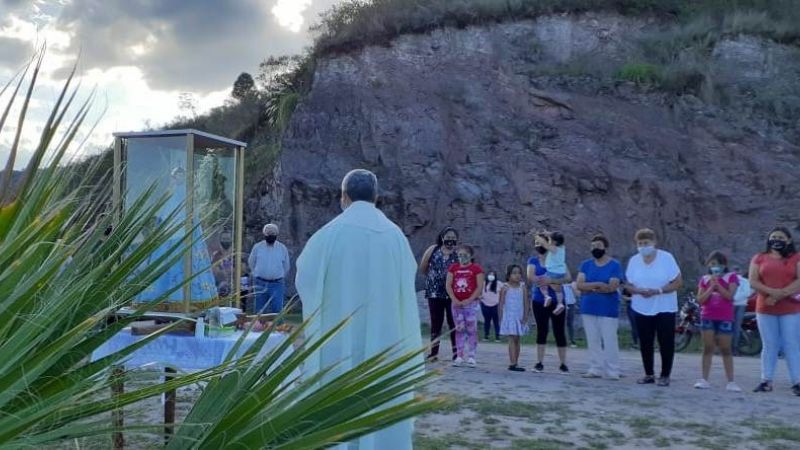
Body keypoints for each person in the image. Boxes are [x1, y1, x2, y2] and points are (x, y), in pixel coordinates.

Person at [295, 169, 423, 449]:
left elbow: (304, 277)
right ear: (376, 197)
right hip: (385, 336)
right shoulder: (395, 236)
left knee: (336, 393)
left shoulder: (329, 234)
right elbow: (407, 280)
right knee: (382, 400)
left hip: (338, 336)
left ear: (344, 196)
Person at [625, 228, 683, 387]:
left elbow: (678, 282)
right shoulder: (634, 261)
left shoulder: (666, 258)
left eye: (647, 243)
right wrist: (637, 291)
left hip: (664, 306)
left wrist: (658, 291)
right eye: (640, 243)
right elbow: (628, 285)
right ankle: (648, 373)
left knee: (666, 341)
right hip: (641, 306)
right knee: (645, 341)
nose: (644, 246)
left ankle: (665, 375)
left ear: (654, 243)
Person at [748, 227, 800, 395]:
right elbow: (753, 281)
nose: (777, 239)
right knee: (769, 344)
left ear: (789, 240)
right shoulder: (759, 258)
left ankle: (797, 381)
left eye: (781, 237)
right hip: (765, 307)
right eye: (774, 236)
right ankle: (766, 380)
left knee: (791, 344)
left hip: (790, 308)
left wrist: (780, 295)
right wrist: (772, 293)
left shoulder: (796, 258)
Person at [577, 234, 624, 380]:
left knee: (609, 339)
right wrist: (597, 285)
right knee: (593, 339)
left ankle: (613, 370)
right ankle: (595, 368)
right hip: (588, 307)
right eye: (592, 247)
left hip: (608, 309)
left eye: (598, 246)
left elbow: (612, 286)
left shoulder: (614, 265)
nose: (595, 249)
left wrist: (589, 287)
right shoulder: (586, 265)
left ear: (605, 248)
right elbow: (579, 284)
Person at [694, 251, 742, 392]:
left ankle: (731, 381)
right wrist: (710, 287)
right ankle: (704, 379)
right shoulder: (704, 279)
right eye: (713, 264)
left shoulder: (731, 277)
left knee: (725, 348)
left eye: (719, 264)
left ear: (724, 265)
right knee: (708, 347)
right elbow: (700, 299)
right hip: (708, 316)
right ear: (708, 265)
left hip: (725, 317)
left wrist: (718, 286)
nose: (716, 267)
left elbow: (729, 296)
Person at [528, 232, 571, 374]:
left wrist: (551, 281)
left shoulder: (557, 259)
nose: (540, 246)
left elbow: (568, 278)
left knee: (559, 331)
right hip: (540, 300)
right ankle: (539, 362)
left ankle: (563, 363)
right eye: (537, 244)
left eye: (542, 243)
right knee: (542, 330)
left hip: (557, 298)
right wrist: (542, 281)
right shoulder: (533, 261)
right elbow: (530, 276)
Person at [420, 227, 460, 361]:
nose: (450, 239)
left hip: (452, 294)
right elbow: (423, 267)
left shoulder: (458, 253)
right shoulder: (433, 249)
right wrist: (433, 279)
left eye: (453, 236)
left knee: (453, 323)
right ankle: (433, 352)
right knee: (436, 323)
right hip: (434, 293)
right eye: (448, 236)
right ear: (442, 236)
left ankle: (456, 353)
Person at [446, 245, 485, 367]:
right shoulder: (453, 268)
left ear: (470, 255)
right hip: (456, 304)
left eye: (465, 255)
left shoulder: (476, 269)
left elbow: (479, 287)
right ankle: (459, 355)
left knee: (471, 329)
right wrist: (454, 299)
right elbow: (448, 285)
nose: (462, 257)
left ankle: (472, 355)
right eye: (460, 255)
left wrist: (469, 299)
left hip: (471, 304)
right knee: (459, 329)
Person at [248, 223, 290, 314]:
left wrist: (279, 276)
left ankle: (278, 328)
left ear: (276, 235)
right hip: (260, 283)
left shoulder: (282, 248)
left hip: (277, 284)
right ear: (264, 235)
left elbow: (286, 266)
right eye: (269, 234)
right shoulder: (257, 247)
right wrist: (256, 273)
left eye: (273, 234)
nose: (270, 236)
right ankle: (259, 328)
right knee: (259, 311)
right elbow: (251, 262)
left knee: (277, 309)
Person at [499, 265, 530, 371]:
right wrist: (501, 317)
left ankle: (516, 361)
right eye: (514, 273)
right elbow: (501, 303)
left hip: (519, 316)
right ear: (509, 275)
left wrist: (525, 316)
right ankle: (512, 363)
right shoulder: (505, 287)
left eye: (519, 273)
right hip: (509, 316)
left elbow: (526, 303)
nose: (517, 275)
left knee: (517, 339)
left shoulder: (523, 287)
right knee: (511, 338)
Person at [537, 231, 568, 315]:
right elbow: (556, 236)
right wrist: (548, 234)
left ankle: (546, 296)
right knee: (558, 290)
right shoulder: (562, 248)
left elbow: (544, 244)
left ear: (554, 242)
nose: (549, 241)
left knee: (542, 282)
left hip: (552, 271)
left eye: (550, 240)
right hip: (560, 272)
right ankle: (560, 303)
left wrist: (537, 237)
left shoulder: (554, 249)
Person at [732, 266, 752, 356]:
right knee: (729, 326)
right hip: (731, 304)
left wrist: (734, 298)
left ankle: (735, 347)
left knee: (736, 326)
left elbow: (747, 293)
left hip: (740, 305)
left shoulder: (744, 281)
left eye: (737, 270)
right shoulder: (730, 280)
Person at [480, 270, 502, 342]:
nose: (491, 276)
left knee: (496, 321)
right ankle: (486, 336)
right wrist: (479, 297)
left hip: (495, 305)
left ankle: (497, 336)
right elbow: (478, 291)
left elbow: (505, 288)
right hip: (485, 305)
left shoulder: (498, 284)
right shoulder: (483, 283)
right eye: (490, 274)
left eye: (493, 275)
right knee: (487, 321)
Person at [565, 281, 580, 347]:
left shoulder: (573, 283)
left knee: (570, 323)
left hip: (571, 304)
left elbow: (577, 294)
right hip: (561, 303)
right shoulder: (558, 282)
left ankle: (572, 341)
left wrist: (574, 288)